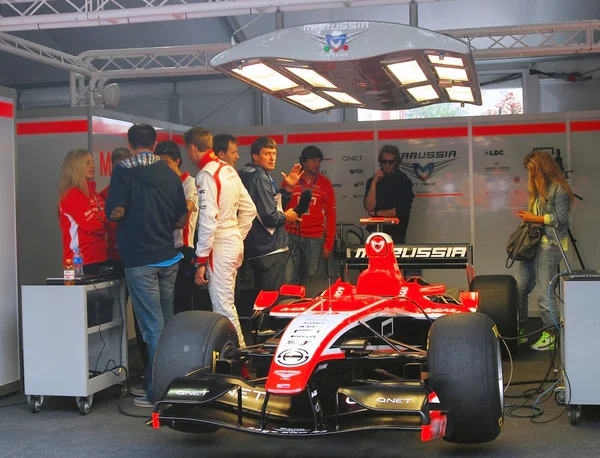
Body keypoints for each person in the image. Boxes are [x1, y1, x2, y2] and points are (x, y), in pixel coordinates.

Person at [105, 124, 187, 407]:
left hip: (140, 260)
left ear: (129, 145)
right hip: (168, 257)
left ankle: (160, 392)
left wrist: (120, 213)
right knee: (166, 324)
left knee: (152, 329)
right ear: (154, 145)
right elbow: (181, 217)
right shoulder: (169, 173)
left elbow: (116, 211)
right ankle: (159, 382)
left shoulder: (122, 171)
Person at [184, 127, 256, 347]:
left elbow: (208, 220)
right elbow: (250, 210)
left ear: (193, 148)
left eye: (187, 150)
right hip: (232, 241)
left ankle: (239, 359)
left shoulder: (206, 174)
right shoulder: (229, 170)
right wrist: (236, 235)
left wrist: (201, 259)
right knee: (227, 304)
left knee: (223, 306)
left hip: (220, 245)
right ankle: (237, 356)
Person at [516, 150, 574, 351]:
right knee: (519, 288)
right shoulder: (536, 189)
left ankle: (551, 334)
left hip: (551, 245)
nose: (530, 174)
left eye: (533, 170)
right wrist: (529, 217)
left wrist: (535, 218)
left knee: (545, 292)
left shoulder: (560, 189)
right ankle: (519, 329)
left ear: (542, 168)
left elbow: (561, 220)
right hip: (532, 246)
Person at [239, 136, 302, 295]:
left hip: (256, 247)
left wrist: (287, 188)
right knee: (271, 301)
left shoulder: (249, 172)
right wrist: (287, 217)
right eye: (267, 153)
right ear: (255, 156)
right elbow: (269, 216)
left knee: (260, 299)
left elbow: (272, 206)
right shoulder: (258, 176)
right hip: (268, 248)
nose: (272, 157)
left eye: (274, 153)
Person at [156, 140, 199, 314]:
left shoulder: (190, 183)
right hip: (162, 251)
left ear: (177, 161)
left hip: (183, 251)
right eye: (159, 163)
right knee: (163, 305)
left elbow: (183, 215)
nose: (162, 167)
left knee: (181, 304)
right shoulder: (158, 184)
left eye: (165, 162)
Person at [284, 145, 337, 285]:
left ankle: (309, 306)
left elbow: (331, 214)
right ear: (304, 162)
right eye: (313, 160)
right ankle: (288, 305)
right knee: (288, 278)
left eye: (319, 161)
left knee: (311, 280)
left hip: (315, 237)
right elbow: (280, 209)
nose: (317, 164)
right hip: (291, 235)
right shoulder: (290, 181)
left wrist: (329, 244)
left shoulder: (325, 183)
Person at [58, 148, 108, 275]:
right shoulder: (72, 194)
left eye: (93, 162)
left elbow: (110, 221)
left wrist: (103, 220)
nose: (92, 166)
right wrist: (103, 222)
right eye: (87, 163)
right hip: (80, 262)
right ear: (75, 167)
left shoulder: (95, 195)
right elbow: (93, 226)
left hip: (101, 257)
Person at [364, 144, 414, 244]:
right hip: (376, 234)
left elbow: (401, 211)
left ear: (396, 163)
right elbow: (369, 207)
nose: (387, 164)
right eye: (384, 161)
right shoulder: (372, 181)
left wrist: (376, 213)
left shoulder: (404, 181)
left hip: (396, 234)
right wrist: (374, 182)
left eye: (390, 162)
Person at [99, 147, 132, 278]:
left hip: (136, 254)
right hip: (114, 255)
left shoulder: (140, 191)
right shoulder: (105, 194)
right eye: (117, 167)